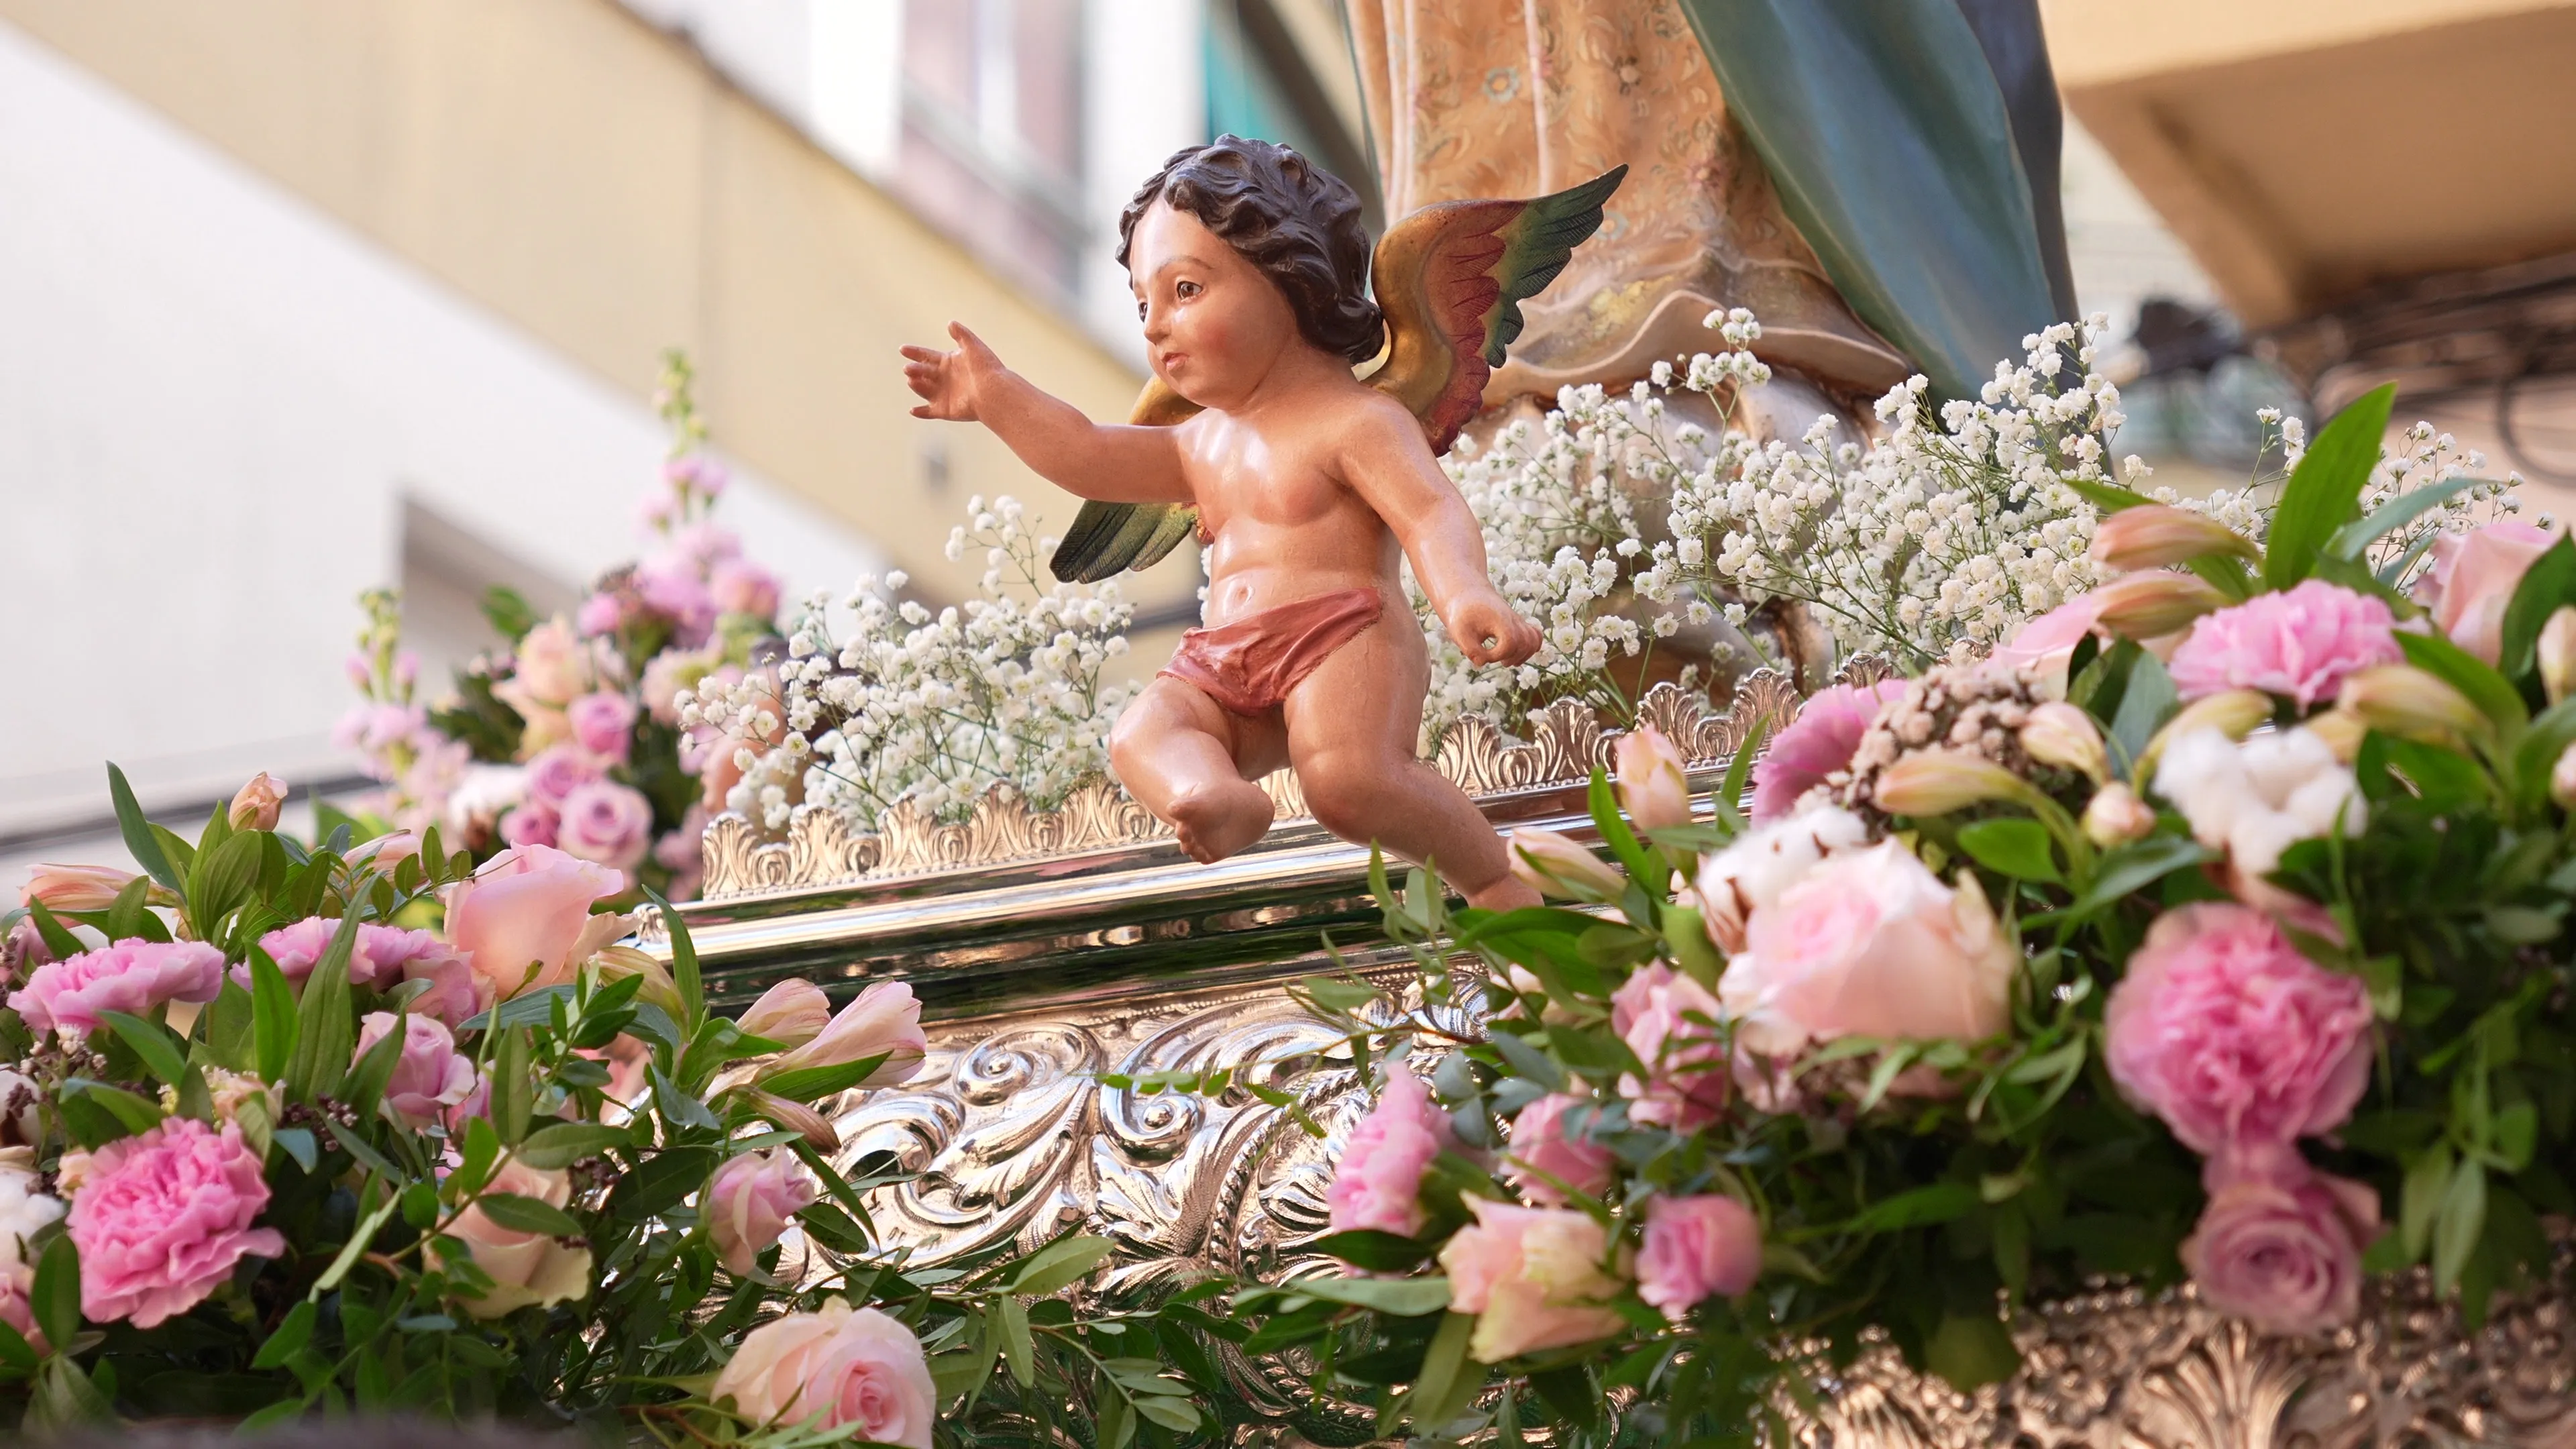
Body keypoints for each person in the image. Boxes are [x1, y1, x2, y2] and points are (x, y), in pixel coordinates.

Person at [903, 138, 1543, 908]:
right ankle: (1215, 798)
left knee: (1348, 781)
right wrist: (997, 397)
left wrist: (1466, 593)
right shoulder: (1197, 442)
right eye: (1144, 306)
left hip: (1341, 633)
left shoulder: (1356, 421)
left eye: (1185, 290)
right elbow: (1087, 453)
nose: (1155, 327)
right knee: (1139, 736)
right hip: (1224, 656)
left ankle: (1496, 879)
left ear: (1290, 274)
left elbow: (1430, 511)